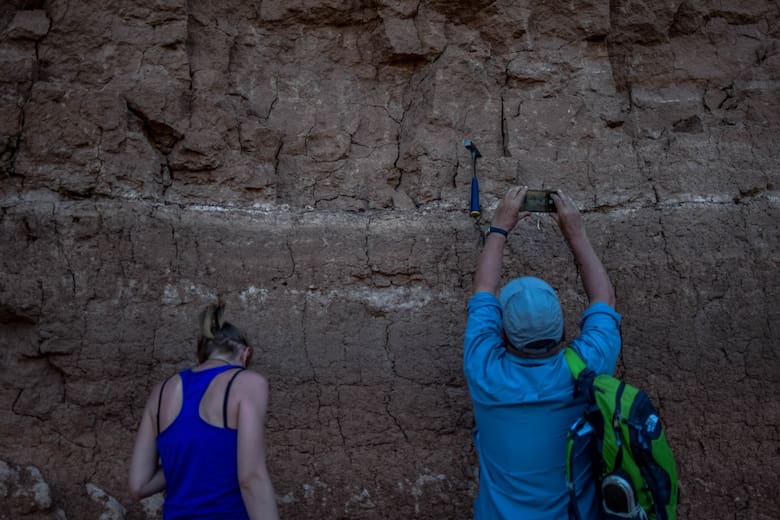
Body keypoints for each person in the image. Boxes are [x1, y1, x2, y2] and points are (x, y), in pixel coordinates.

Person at [464, 186, 622, 519]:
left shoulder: (484, 370)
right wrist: (576, 234)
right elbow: (604, 299)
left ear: (502, 334)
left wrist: (499, 228)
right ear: (564, 332)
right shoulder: (588, 369)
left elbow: (484, 290)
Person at [129, 303, 279, 520]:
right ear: (245, 354)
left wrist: (188, 462)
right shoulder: (247, 383)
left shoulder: (160, 392)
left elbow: (139, 485)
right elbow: (251, 478)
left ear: (200, 356)